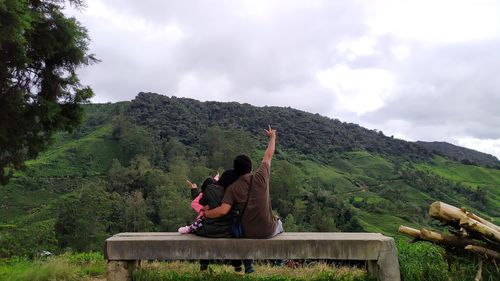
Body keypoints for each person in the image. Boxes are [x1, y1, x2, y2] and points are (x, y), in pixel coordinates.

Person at [204, 125, 284, 239]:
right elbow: (269, 155)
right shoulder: (261, 176)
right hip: (268, 230)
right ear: (251, 168)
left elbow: (222, 211)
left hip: (249, 233)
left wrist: (206, 213)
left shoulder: (232, 188)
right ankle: (281, 257)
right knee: (279, 223)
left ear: (235, 170)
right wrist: (272, 137)